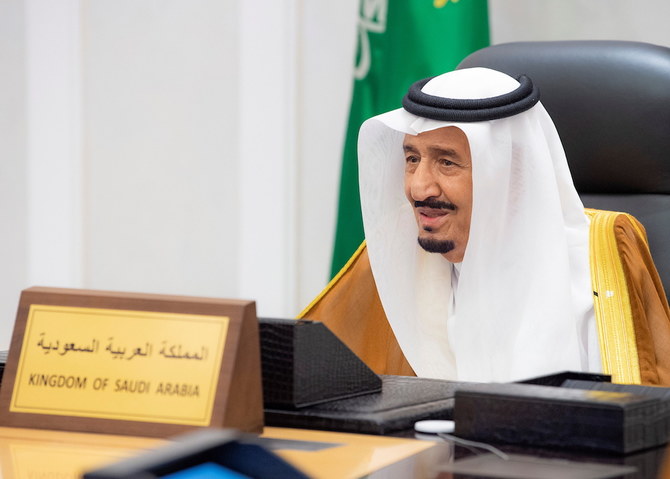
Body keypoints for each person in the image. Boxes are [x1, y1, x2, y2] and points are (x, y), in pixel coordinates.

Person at [299, 67, 670, 385]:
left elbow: (644, 422)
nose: (418, 187)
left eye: (447, 162)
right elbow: (298, 377)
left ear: (511, 174)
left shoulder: (601, 258)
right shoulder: (392, 256)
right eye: (412, 158)